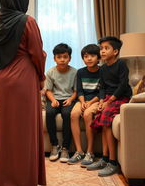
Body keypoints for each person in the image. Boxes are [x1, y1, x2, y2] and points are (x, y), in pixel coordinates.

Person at [0, 0, 46, 186]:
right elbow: (37, 53)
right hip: (24, 76)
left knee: (6, 130)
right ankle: (24, 180)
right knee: (24, 130)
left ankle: (4, 179)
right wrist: (41, 77)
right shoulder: (28, 20)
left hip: (3, 78)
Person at [87, 36, 132, 176]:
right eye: (101, 48)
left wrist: (109, 101)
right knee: (100, 118)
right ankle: (104, 159)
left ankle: (112, 162)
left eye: (106, 48)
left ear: (116, 51)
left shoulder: (121, 65)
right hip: (107, 98)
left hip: (120, 97)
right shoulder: (103, 68)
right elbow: (102, 87)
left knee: (105, 116)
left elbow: (123, 86)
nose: (103, 51)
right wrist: (101, 101)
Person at [68, 44, 100, 167]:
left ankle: (90, 152)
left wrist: (90, 103)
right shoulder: (80, 72)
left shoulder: (102, 71)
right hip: (82, 100)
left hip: (96, 100)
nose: (89, 59)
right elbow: (79, 90)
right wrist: (82, 102)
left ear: (98, 58)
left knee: (87, 114)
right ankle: (79, 151)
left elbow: (101, 91)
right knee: (74, 114)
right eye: (86, 56)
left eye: (92, 56)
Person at [45, 43, 77, 163]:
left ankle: (65, 148)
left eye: (65, 57)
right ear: (54, 58)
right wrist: (53, 100)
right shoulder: (50, 72)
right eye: (59, 57)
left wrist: (70, 99)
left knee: (67, 115)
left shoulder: (75, 72)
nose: (62, 60)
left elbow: (76, 91)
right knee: (49, 113)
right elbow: (48, 90)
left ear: (70, 58)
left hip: (68, 99)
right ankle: (54, 145)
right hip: (54, 99)